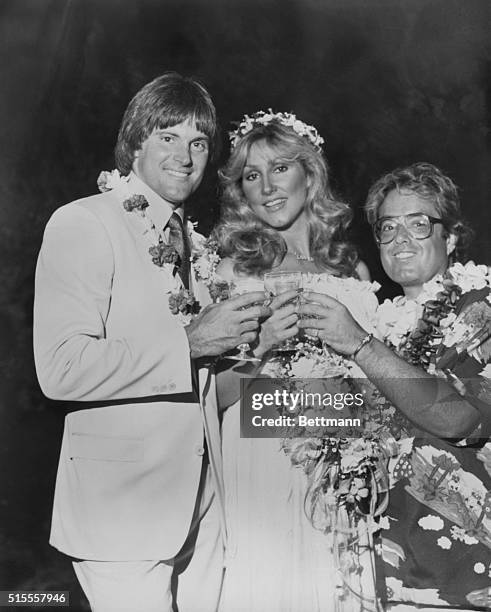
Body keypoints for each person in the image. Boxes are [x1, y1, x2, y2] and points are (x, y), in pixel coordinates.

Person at [33, 72, 269, 612]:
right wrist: (188, 343)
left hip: (203, 507)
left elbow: (207, 386)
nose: (185, 156)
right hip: (121, 511)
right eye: (168, 137)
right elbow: (61, 368)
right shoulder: (84, 222)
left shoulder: (198, 245)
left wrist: (258, 352)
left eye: (198, 142)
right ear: (136, 141)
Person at [297, 162, 491, 610]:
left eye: (418, 224)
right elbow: (325, 418)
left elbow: (457, 418)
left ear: (452, 237)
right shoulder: (378, 320)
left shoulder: (480, 309)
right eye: (388, 227)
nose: (400, 238)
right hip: (380, 570)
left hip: (464, 579)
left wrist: (359, 345)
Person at [212, 109, 380, 611]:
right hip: (264, 458)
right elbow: (209, 398)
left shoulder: (354, 268)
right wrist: (258, 348)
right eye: (251, 176)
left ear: (310, 172)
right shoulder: (232, 270)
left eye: (280, 168)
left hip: (342, 462)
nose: (266, 187)